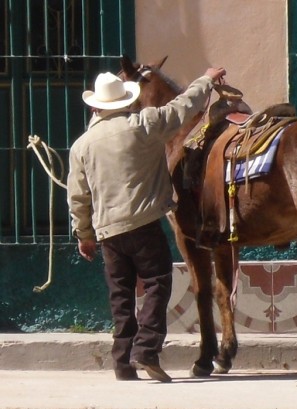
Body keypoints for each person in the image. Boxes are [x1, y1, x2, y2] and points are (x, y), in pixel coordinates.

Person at [67, 66, 226, 382]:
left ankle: (123, 361)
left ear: (95, 106)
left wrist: (84, 235)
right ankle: (147, 350)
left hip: (108, 233)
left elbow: (78, 197)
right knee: (156, 282)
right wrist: (205, 79)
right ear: (126, 102)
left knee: (120, 295)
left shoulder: (81, 146)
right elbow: (182, 108)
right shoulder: (144, 125)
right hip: (145, 225)